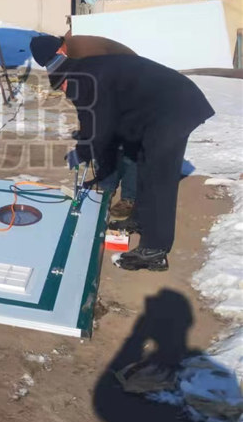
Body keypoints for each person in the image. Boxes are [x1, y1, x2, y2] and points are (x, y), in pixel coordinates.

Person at [30, 38, 215, 271]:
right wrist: (85, 144)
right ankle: (140, 219)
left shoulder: (84, 80)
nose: (65, 93)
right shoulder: (84, 72)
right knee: (143, 161)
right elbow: (91, 118)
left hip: (177, 107)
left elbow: (100, 126)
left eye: (62, 88)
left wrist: (82, 152)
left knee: (160, 177)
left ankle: (155, 250)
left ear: (64, 79)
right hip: (160, 107)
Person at [30, 32, 138, 219]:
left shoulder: (85, 53)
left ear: (58, 50)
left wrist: (91, 137)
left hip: (132, 88)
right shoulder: (70, 55)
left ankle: (129, 198)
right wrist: (87, 133)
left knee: (130, 146)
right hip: (113, 89)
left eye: (52, 60)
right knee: (104, 139)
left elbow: (96, 100)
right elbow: (86, 103)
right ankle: (106, 187)